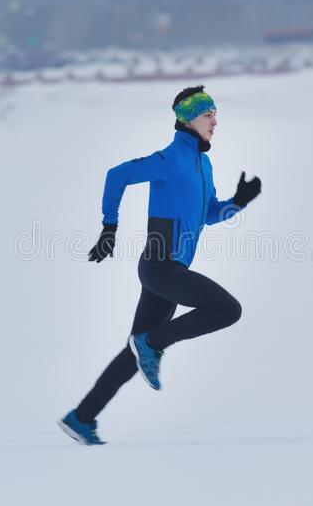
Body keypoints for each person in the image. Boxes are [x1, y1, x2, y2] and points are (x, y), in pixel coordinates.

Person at [58, 85, 262, 445]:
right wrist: (109, 226)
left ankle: (81, 418)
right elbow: (117, 175)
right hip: (160, 265)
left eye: (215, 113)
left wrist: (239, 201)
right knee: (227, 310)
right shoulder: (170, 160)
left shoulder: (203, 163)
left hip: (169, 271)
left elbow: (209, 214)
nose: (215, 121)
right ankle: (152, 343)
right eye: (208, 114)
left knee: (134, 353)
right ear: (188, 119)